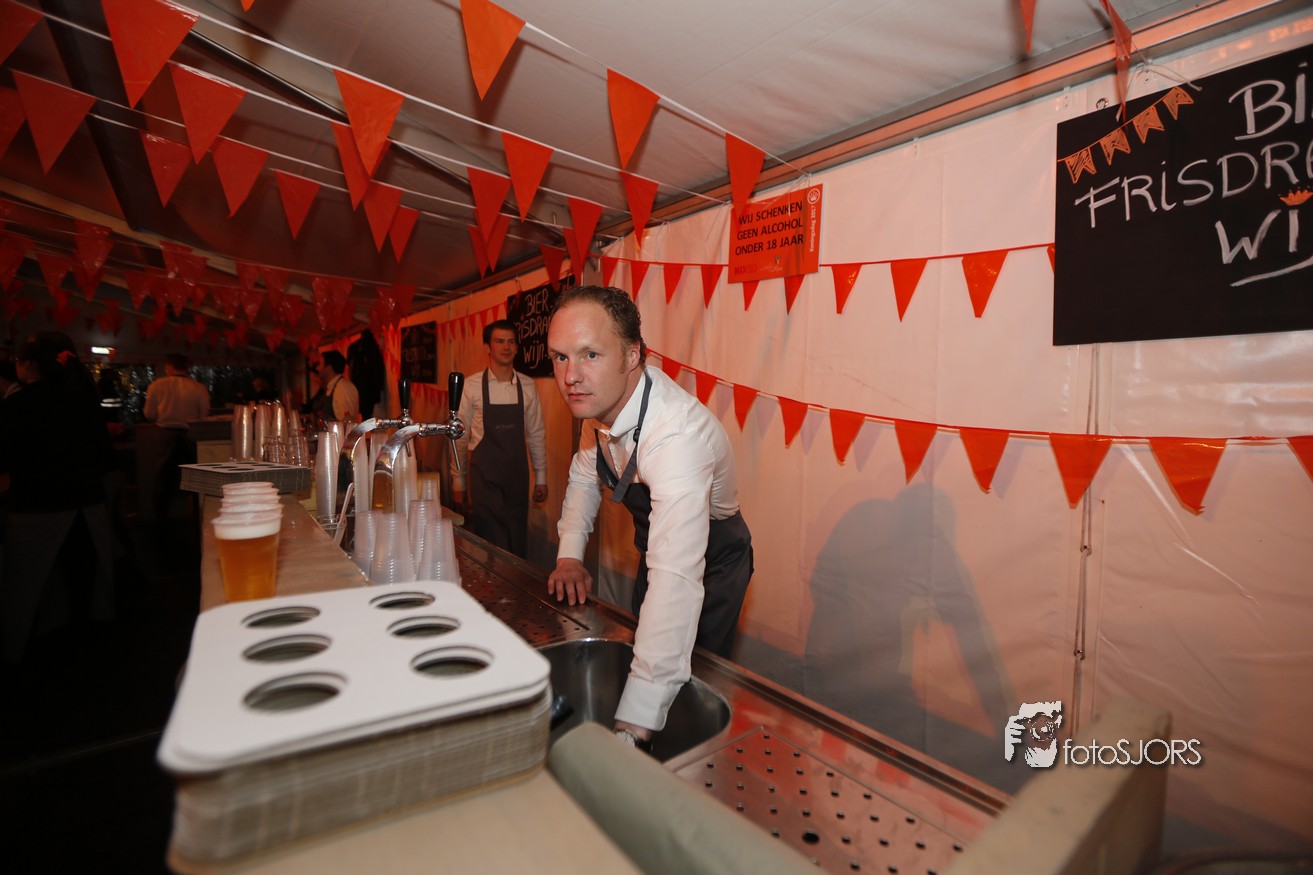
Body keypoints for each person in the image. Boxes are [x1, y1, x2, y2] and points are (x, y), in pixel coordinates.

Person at [545, 286, 753, 751]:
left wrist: (631, 730)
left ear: (633, 354)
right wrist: (569, 556)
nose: (571, 377)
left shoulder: (678, 436)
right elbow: (584, 476)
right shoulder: (599, 406)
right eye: (560, 357)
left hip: (714, 564)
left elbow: (675, 580)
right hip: (656, 551)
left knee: (695, 687)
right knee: (646, 643)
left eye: (590, 354)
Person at [1, 332, 117, 665]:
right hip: (87, 504)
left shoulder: (18, 405)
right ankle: (87, 654)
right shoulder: (83, 401)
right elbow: (104, 457)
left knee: (25, 587)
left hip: (38, 506)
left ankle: (23, 657)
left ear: (28, 365)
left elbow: (7, 459)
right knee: (81, 582)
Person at [451, 320, 548, 558]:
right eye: (500, 341)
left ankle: (516, 583)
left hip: (517, 478)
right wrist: (458, 482)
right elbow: (459, 437)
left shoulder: (528, 385)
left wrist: (541, 476)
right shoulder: (471, 386)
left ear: (517, 347)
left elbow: (536, 433)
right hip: (485, 478)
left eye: (511, 342)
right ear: (488, 347)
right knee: (491, 543)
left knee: (517, 542)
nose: (506, 347)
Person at [138, 353, 211, 519]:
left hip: (164, 435)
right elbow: (204, 414)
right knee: (194, 477)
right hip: (189, 434)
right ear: (187, 367)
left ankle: (160, 519)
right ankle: (198, 516)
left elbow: (149, 414)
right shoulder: (198, 387)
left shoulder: (157, 385)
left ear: (169, 366)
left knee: (162, 477)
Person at [318, 350, 359, 423]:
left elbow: (347, 422)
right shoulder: (333, 386)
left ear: (328, 368)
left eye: (320, 364)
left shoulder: (343, 387)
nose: (318, 368)